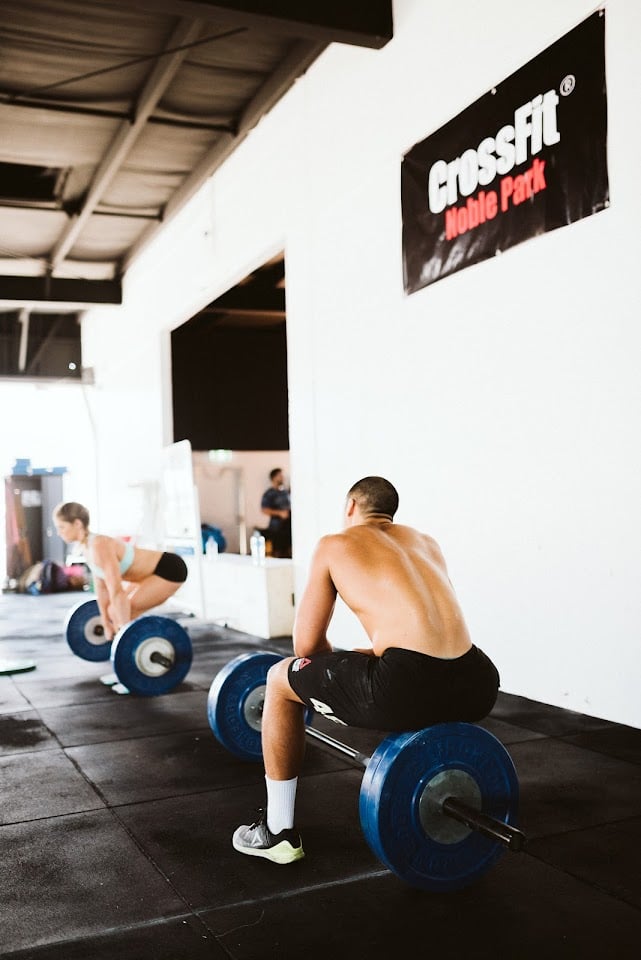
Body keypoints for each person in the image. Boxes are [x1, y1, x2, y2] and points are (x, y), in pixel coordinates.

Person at [232, 476, 500, 865]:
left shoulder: (334, 544)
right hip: (477, 681)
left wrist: (330, 671)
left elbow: (306, 648)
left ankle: (277, 832)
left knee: (278, 679)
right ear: (390, 512)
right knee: (409, 682)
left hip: (406, 686)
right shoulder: (425, 543)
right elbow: (425, 634)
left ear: (350, 507)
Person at [53, 502, 188, 641]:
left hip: (169, 569)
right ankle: (136, 639)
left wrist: (123, 635)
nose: (59, 532)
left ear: (77, 524)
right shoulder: (87, 549)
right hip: (146, 576)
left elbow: (117, 591)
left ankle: (150, 641)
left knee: (121, 612)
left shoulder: (99, 545)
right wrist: (105, 623)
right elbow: (102, 589)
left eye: (62, 527)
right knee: (113, 612)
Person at [260, 468, 292, 558]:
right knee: (278, 551)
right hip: (277, 527)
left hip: (288, 526)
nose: (282, 478)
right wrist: (279, 513)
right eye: (280, 476)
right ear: (274, 478)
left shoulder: (285, 492)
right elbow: (264, 509)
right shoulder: (269, 493)